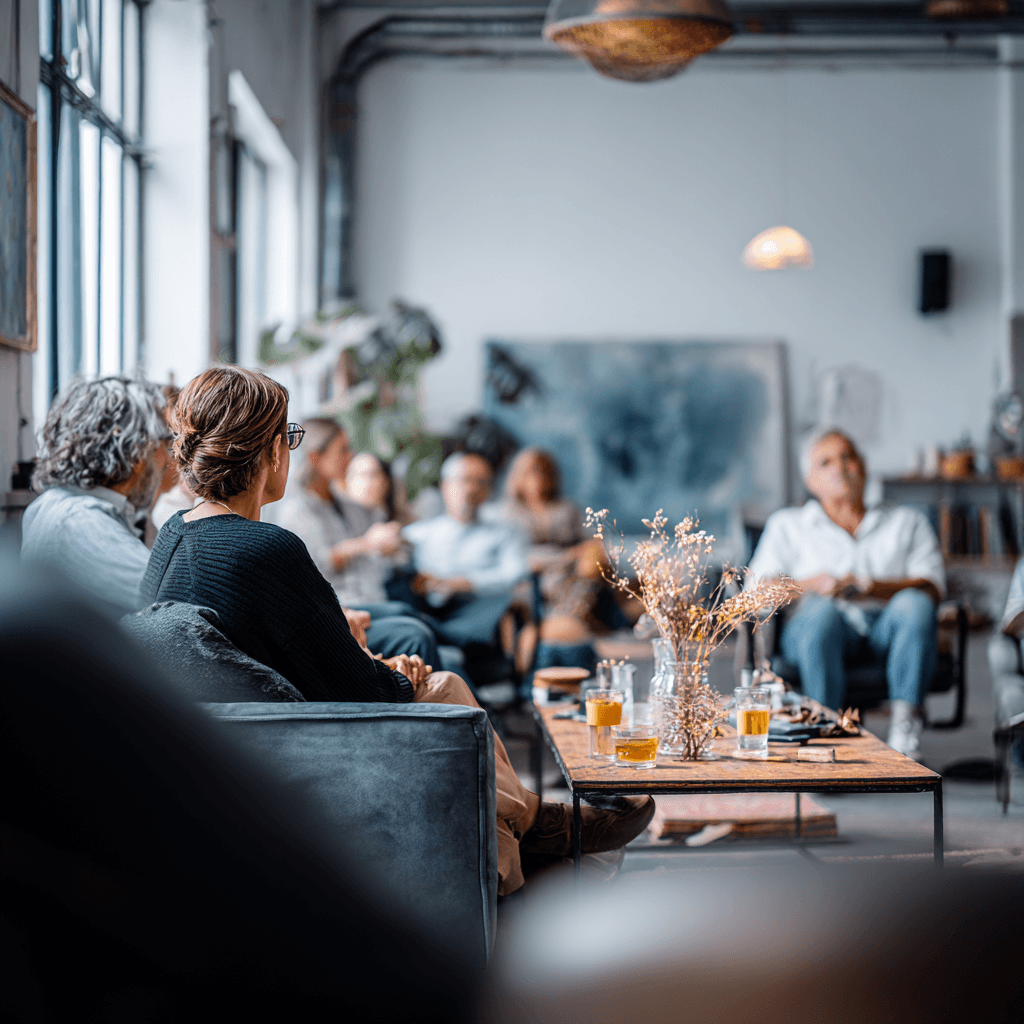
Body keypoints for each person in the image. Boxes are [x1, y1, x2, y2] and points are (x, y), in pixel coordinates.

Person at [143, 366, 654, 893]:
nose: (289, 452)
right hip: (305, 749)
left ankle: (532, 843)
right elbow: (357, 692)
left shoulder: (172, 539)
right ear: (270, 451)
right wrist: (398, 677)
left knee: (436, 681)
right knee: (445, 689)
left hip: (235, 745)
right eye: (289, 437)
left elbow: (258, 653)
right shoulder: (268, 548)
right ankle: (526, 853)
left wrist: (359, 655)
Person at [749, 429, 945, 757]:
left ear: (864, 467)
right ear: (810, 480)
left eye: (847, 457)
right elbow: (754, 593)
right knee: (822, 613)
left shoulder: (906, 521)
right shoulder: (788, 524)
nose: (839, 468)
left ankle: (904, 728)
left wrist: (869, 584)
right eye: (825, 462)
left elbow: (933, 586)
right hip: (815, 632)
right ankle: (825, 731)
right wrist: (813, 585)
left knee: (915, 603)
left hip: (887, 632)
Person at [277, 418, 437, 665]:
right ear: (316, 458)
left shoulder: (346, 502)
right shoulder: (296, 510)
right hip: (339, 610)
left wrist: (391, 536)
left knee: (411, 616)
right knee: (411, 621)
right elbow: (314, 565)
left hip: (370, 597)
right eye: (342, 450)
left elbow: (382, 530)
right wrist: (366, 543)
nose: (349, 457)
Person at [21, 376, 170, 616]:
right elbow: (177, 602)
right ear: (139, 450)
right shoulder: (78, 522)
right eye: (165, 443)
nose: (168, 458)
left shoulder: (53, 504)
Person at [401, 452, 530, 651]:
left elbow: (515, 575)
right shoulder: (419, 534)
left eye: (481, 482)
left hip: (477, 617)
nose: (471, 489)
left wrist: (464, 583)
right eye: (464, 480)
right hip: (430, 610)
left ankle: (438, 636)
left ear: (488, 490)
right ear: (445, 486)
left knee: (503, 599)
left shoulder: (504, 534)